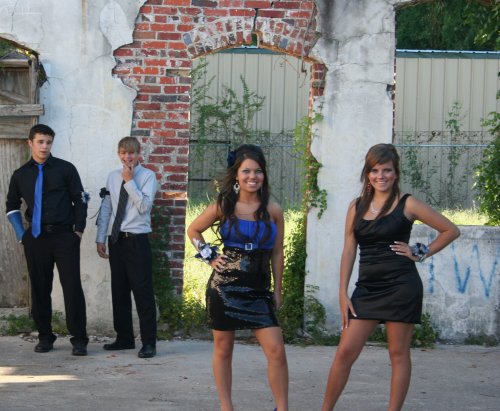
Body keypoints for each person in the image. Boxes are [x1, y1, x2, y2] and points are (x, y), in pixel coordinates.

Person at [321, 143, 460, 411]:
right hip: (367, 289)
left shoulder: (408, 203)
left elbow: (450, 230)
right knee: (345, 352)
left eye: (386, 170)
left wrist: (420, 251)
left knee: (398, 354)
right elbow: (349, 249)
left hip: (401, 287)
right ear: (367, 174)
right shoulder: (356, 206)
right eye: (374, 170)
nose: (380, 176)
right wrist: (342, 293)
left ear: (395, 173)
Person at [187, 144, 289, 411]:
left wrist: (278, 291)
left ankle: (282, 408)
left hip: (259, 290)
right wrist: (209, 256)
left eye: (258, 171)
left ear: (264, 174)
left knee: (277, 351)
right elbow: (193, 230)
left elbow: (278, 253)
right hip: (224, 288)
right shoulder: (224, 205)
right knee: (223, 350)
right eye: (246, 171)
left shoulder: (274, 210)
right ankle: (226, 407)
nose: (252, 176)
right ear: (236, 175)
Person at [6, 124, 89, 356]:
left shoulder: (66, 169)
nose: (44, 146)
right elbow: (11, 205)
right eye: (40, 142)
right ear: (30, 143)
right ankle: (45, 336)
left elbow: (80, 200)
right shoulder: (20, 175)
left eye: (48, 142)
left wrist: (78, 231)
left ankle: (79, 339)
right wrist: (21, 235)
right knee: (40, 288)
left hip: (64, 237)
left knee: (72, 287)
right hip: (36, 238)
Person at [96, 136, 158, 358]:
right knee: (119, 291)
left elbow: (144, 207)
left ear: (139, 154)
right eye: (123, 152)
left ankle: (149, 343)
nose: (127, 157)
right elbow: (107, 208)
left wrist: (130, 181)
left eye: (131, 152)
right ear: (118, 154)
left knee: (142, 293)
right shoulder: (112, 177)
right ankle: (124, 338)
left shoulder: (148, 176)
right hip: (117, 240)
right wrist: (101, 237)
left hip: (136, 241)